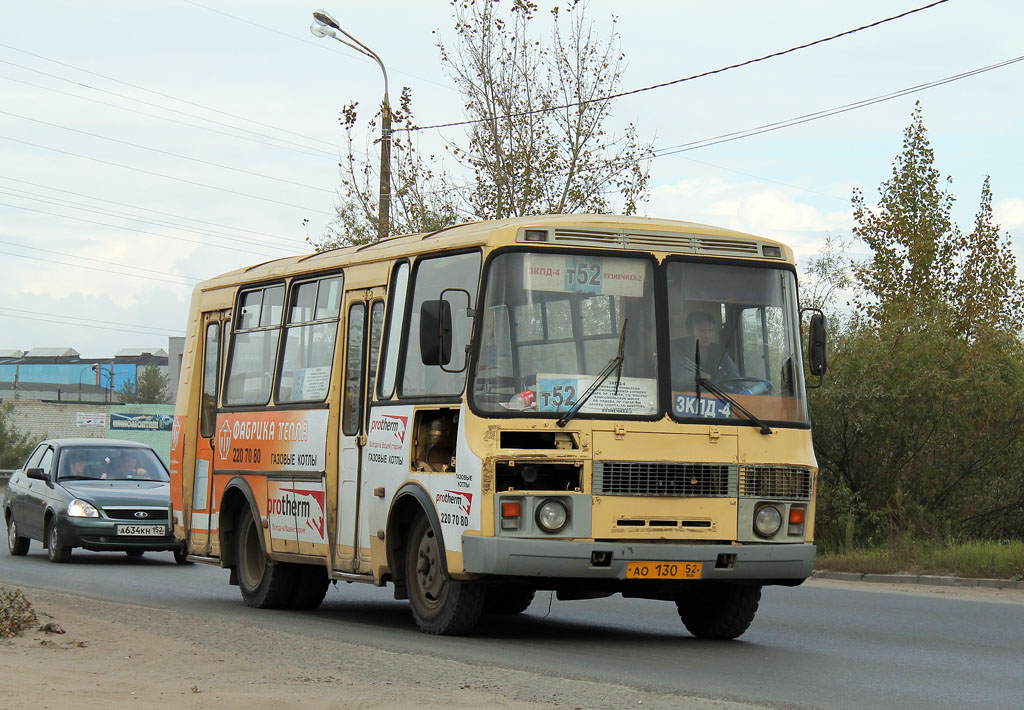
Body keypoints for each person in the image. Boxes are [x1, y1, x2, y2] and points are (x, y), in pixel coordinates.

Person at [671, 310, 741, 389]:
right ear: (690, 332)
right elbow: (676, 376)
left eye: (710, 330)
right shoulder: (676, 349)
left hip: (719, 398)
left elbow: (736, 380)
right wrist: (706, 377)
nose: (707, 335)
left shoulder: (720, 352)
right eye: (702, 331)